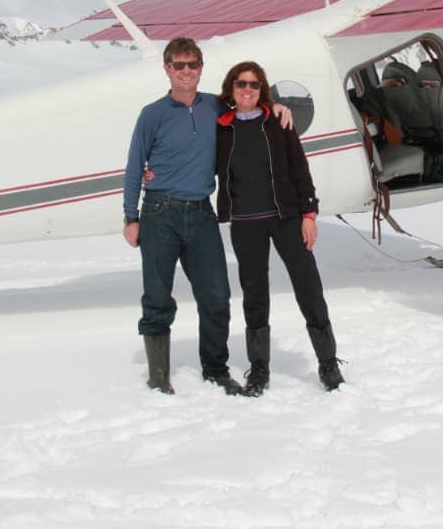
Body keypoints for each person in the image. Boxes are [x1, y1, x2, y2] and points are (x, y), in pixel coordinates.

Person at [122, 38, 292, 396]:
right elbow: (135, 166)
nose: (186, 71)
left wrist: (277, 107)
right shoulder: (152, 114)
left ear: (201, 67)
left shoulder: (216, 106)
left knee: (216, 295)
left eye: (193, 64)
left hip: (201, 212)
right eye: (178, 65)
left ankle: (215, 369)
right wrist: (130, 217)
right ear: (167, 69)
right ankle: (157, 376)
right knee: (157, 297)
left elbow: (250, 102)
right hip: (159, 211)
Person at [215, 61, 345, 396]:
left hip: (286, 218)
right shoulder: (221, 127)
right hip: (245, 224)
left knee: (308, 287)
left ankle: (328, 363)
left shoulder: (278, 122)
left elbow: (299, 169)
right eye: (241, 84)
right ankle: (259, 369)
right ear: (231, 88)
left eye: (255, 85)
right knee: (254, 297)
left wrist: (309, 214)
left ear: (263, 90)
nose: (248, 89)